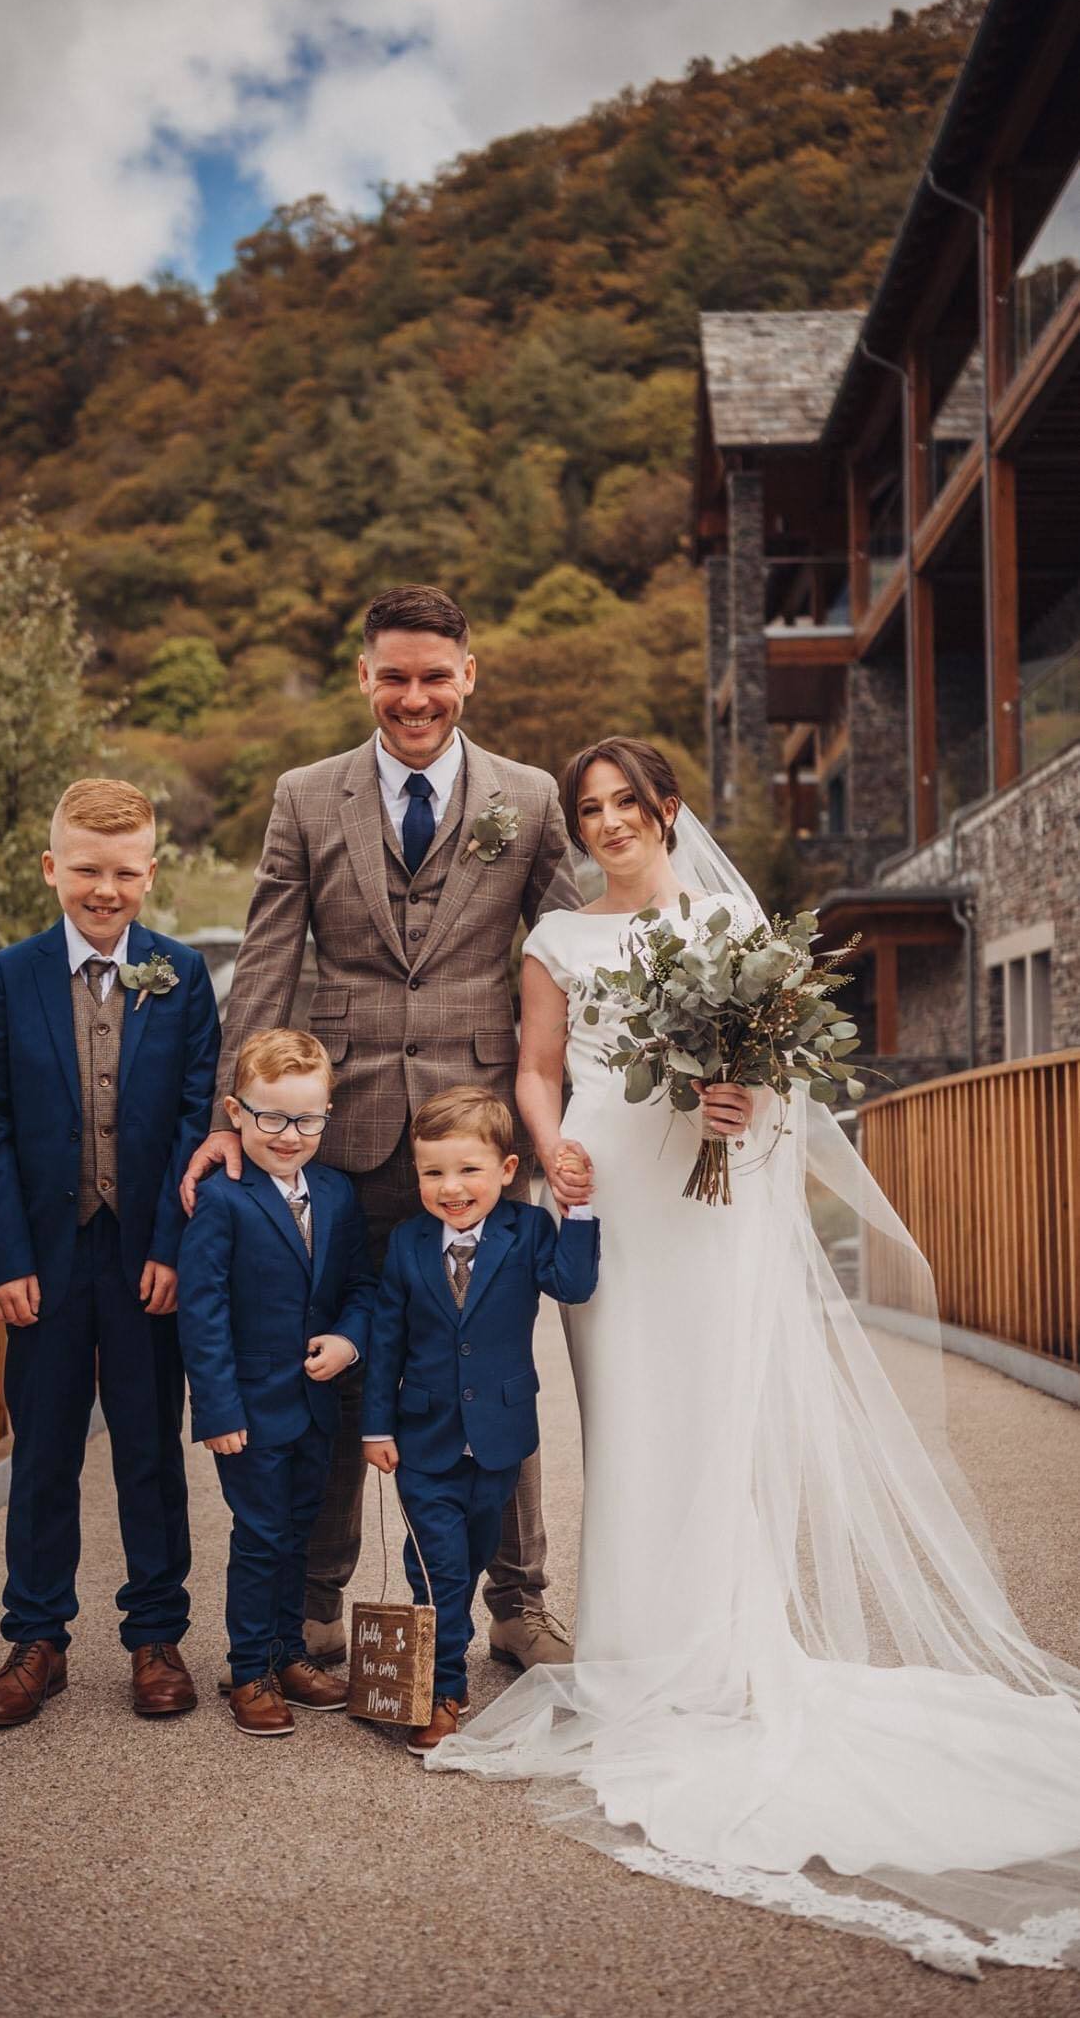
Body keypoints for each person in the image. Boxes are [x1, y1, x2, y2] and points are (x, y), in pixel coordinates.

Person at [430, 737, 1080, 1977]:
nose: (610, 822)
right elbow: (535, 1065)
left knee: (714, 1414)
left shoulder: (734, 924)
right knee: (627, 1420)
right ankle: (628, 1658)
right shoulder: (556, 941)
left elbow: (781, 1086)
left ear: (668, 807)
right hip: (611, 1190)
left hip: (711, 1205)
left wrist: (749, 1105)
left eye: (629, 802)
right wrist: (550, 1144)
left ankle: (723, 1654)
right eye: (590, 809)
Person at [181, 583, 590, 1674]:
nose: (416, 697)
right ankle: (317, 1605)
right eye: (395, 676)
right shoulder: (307, 797)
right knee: (338, 1364)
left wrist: (644, 1082)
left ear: (470, 674)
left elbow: (578, 951)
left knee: (493, 1363)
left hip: (479, 1133)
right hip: (340, 1131)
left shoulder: (531, 795)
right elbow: (267, 957)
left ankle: (520, 1601)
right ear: (365, 677)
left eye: (436, 675)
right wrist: (236, 1112)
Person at [0, 778, 220, 1728]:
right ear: (51, 868)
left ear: (150, 871)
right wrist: (3, 1259)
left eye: (122, 872)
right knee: (45, 1448)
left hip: (146, 1251)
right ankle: (36, 1638)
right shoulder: (8, 975)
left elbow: (199, 1116)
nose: (103, 890)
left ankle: (156, 1633)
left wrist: (176, 1246)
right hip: (46, 1253)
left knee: (150, 1449)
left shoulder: (183, 976)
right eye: (84, 871)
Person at [361, 1086, 599, 1754]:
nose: (451, 1186)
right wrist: (376, 1426)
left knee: (469, 1555)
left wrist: (577, 1213)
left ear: (507, 1170)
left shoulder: (529, 1231)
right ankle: (441, 1689)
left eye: (468, 1169)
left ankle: (464, 1649)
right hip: (422, 1438)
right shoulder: (408, 1244)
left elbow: (573, 1286)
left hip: (500, 1440)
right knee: (436, 1569)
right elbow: (387, 1341)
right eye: (433, 1172)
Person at [177, 1029, 375, 1738]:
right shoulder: (223, 1201)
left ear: (328, 1116)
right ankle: (250, 1668)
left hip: (315, 1406)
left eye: (307, 1119)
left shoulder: (337, 1192)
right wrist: (217, 1409)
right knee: (259, 1536)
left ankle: (290, 1653)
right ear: (235, 1112)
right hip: (251, 1412)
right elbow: (202, 1314)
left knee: (299, 1533)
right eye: (271, 1117)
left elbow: (359, 1284)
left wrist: (351, 1339)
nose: (289, 1135)